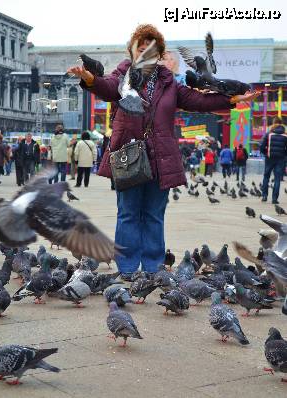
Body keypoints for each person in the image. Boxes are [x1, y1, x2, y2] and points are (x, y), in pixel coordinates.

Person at [67, 23, 259, 279]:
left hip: (161, 158)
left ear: (158, 54)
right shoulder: (123, 73)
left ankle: (153, 267)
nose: (145, 52)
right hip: (129, 156)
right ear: (133, 51)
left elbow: (198, 101)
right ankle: (127, 269)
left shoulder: (169, 82)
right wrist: (88, 78)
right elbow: (108, 87)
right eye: (140, 47)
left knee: (154, 215)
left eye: (150, 48)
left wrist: (231, 100)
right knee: (128, 213)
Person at [260, 117, 287, 204]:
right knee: (277, 179)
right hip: (280, 159)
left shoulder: (269, 133)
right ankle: (274, 199)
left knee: (266, 176)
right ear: (281, 123)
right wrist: (284, 155)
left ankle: (264, 196)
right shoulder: (285, 135)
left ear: (274, 123)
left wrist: (265, 153)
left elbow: (261, 145)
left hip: (269, 158)